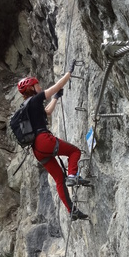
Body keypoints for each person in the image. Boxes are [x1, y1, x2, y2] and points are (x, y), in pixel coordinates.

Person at [17, 63, 91, 220]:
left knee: (58, 179)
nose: (39, 86)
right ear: (31, 88)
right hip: (44, 140)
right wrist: (69, 73)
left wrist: (56, 98)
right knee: (74, 151)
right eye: (36, 84)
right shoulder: (36, 99)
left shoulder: (26, 106)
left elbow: (48, 111)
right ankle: (73, 175)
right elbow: (57, 85)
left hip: (37, 149)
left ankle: (71, 210)